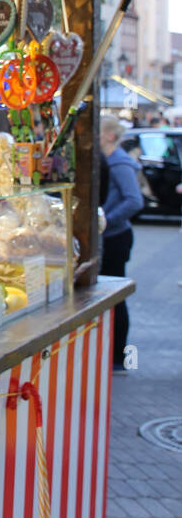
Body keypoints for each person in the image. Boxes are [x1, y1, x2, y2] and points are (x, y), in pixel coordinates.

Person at [99, 114, 144, 371]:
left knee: (116, 294)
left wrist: (106, 220)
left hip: (116, 238)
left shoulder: (119, 163)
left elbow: (134, 200)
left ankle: (120, 358)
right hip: (112, 234)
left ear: (110, 135)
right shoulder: (111, 161)